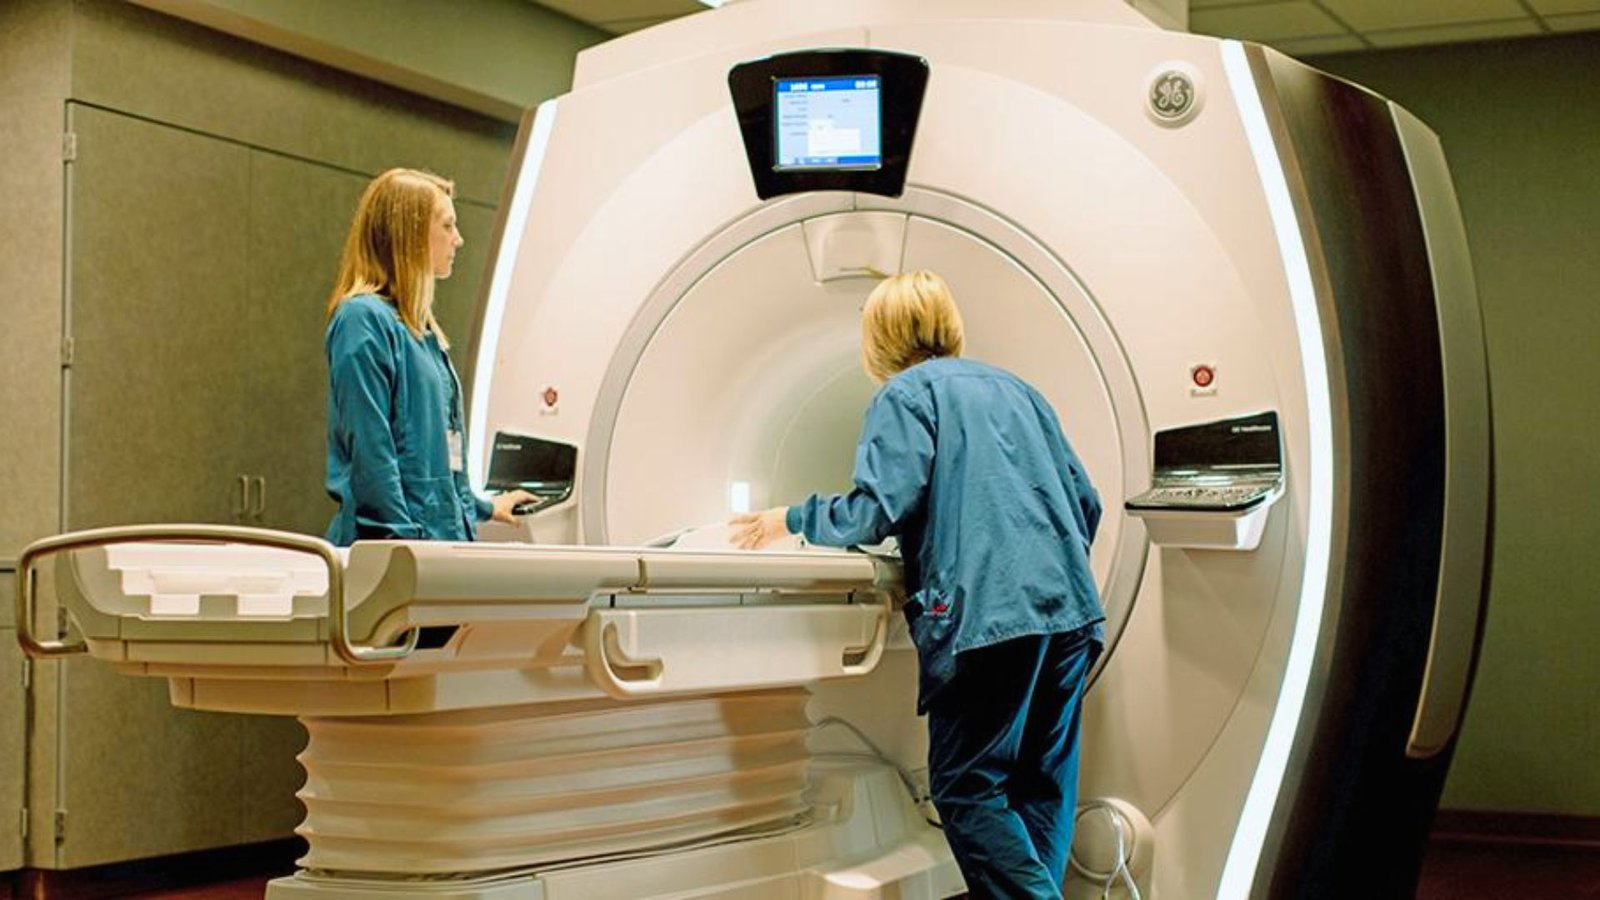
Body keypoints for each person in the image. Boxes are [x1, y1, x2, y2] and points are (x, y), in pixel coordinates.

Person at [730, 270, 1105, 899]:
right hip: (1070, 614)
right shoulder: (1022, 391)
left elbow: (875, 510)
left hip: (989, 620)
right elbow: (1085, 503)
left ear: (877, 338)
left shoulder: (906, 395)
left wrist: (787, 518)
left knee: (965, 787)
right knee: (1039, 783)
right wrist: (1041, 570)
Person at [323, 167, 532, 545]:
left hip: (440, 545)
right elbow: (374, 458)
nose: (459, 239)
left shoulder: (422, 334)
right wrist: (408, 552)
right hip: (395, 552)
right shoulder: (362, 320)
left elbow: (436, 460)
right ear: (412, 234)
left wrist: (484, 507)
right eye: (448, 226)